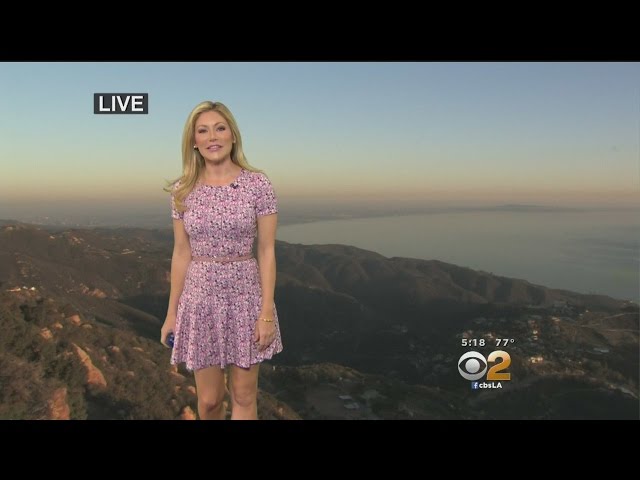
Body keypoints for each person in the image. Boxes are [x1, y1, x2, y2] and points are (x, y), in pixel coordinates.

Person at [161, 101, 283, 420]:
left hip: (245, 297)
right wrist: (171, 314)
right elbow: (181, 252)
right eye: (203, 131)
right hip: (200, 300)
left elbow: (266, 251)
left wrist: (266, 313)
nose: (212, 137)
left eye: (220, 128)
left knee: (243, 395)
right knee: (209, 401)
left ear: (233, 135)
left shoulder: (257, 184)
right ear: (194, 141)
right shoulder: (183, 190)